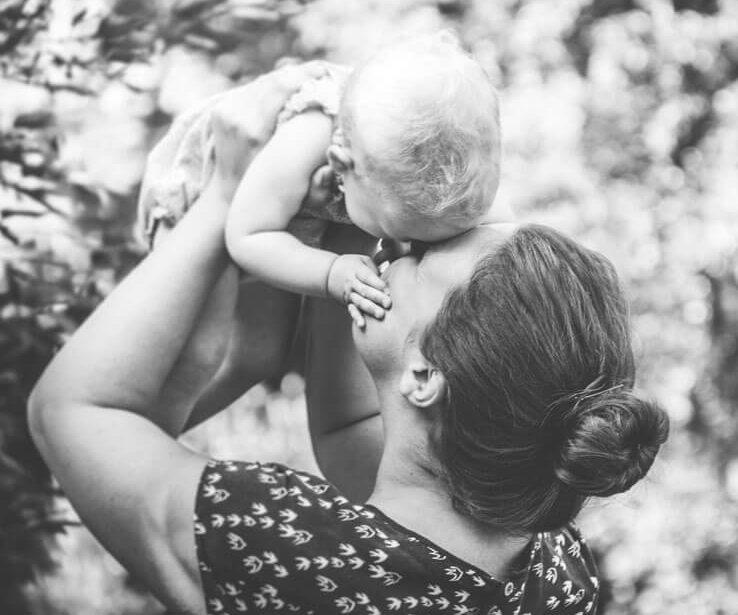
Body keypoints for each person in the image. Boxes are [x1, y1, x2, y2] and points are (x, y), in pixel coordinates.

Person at [27, 64, 670, 615]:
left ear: (425, 375)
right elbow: (351, 431)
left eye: (420, 256)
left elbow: (71, 412)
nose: (398, 252)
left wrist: (227, 193)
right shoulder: (552, 569)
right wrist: (356, 214)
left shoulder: (294, 549)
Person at [137, 31, 502, 429]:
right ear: (341, 166)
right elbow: (249, 237)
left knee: (258, 356)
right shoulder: (310, 136)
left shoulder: (433, 156)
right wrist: (331, 273)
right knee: (199, 357)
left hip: (283, 223)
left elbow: (499, 228)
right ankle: (129, 447)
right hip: (206, 202)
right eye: (394, 231)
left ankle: (158, 432)